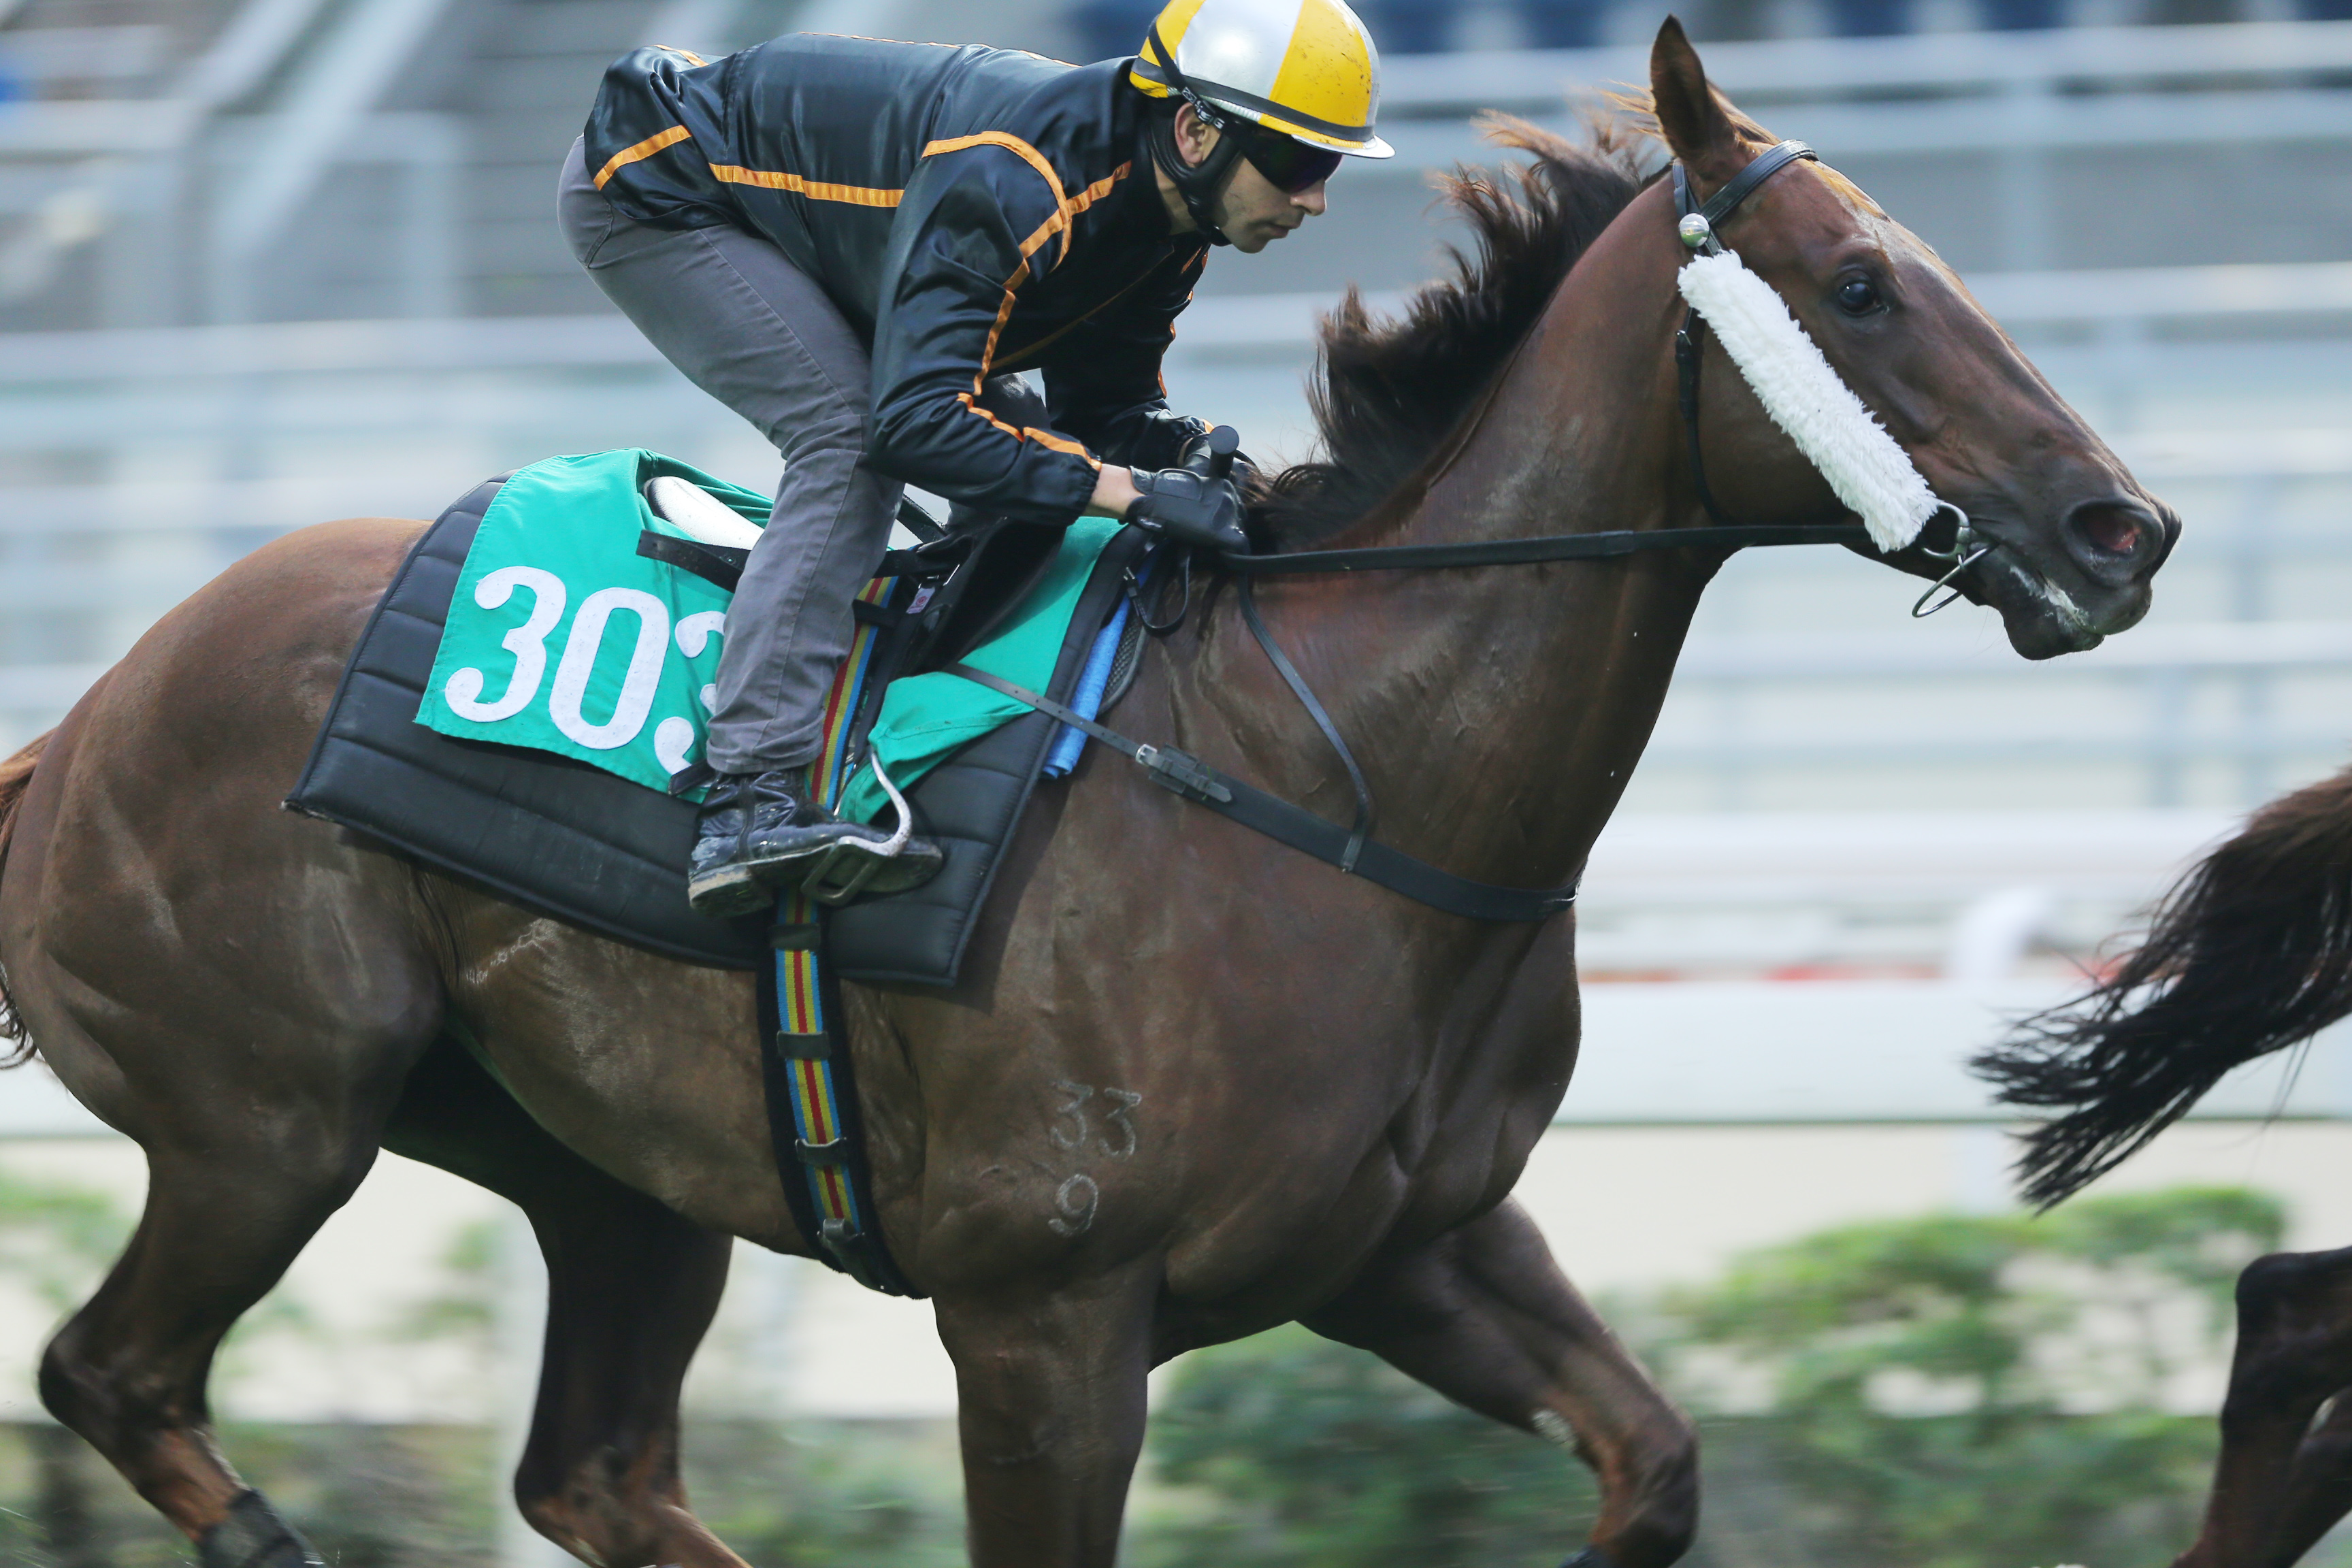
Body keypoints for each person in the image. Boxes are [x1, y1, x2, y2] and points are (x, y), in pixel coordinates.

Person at [563, 0, 1392, 917]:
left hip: (824, 228)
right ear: (1197, 130)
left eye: (1332, 169)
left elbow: (1102, 413)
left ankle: (909, 698)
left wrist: (1185, 461)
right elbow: (912, 425)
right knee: (848, 438)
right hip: (664, 187)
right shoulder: (1019, 178)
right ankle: (746, 798)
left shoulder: (1169, 228)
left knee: (1035, 450)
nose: (1315, 199)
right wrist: (1128, 491)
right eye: (1299, 164)